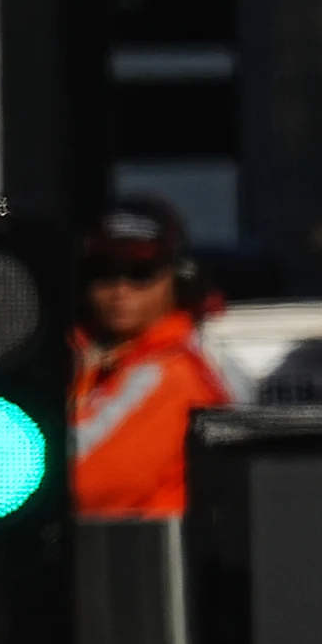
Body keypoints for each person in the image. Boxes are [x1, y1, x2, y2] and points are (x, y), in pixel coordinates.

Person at [69, 198, 231, 521]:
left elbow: (85, 482)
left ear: (180, 279)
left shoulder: (172, 374)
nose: (120, 288)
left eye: (139, 273)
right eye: (103, 272)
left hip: (151, 561)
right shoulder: (94, 361)